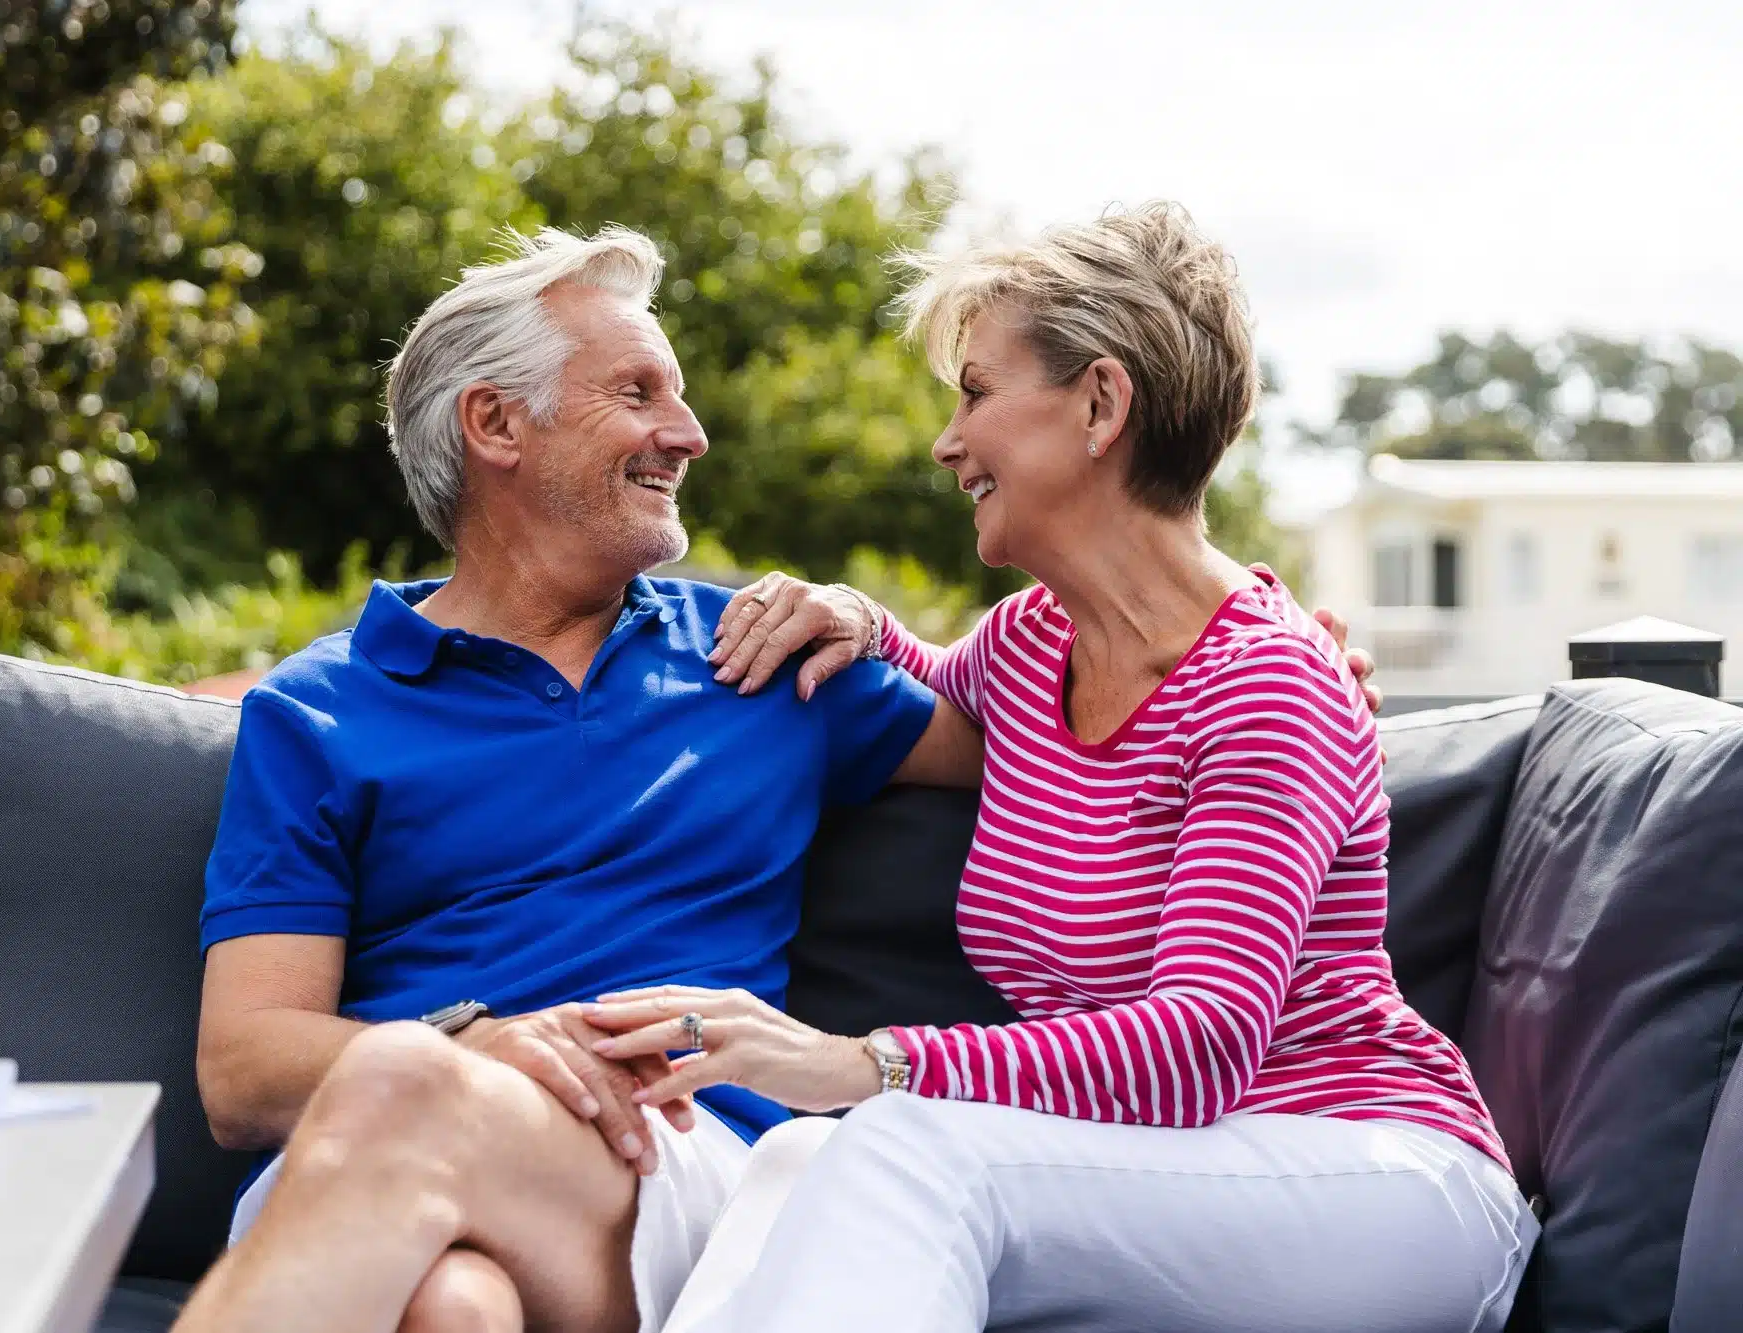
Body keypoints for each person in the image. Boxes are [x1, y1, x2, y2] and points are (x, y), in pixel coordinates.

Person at [175, 221, 1377, 1333]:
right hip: (379, 1170)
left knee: (397, 1085)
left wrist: (1279, 660)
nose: (689, 435)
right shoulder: (315, 711)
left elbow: (1086, 719)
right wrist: (470, 1047)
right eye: (637, 392)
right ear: (496, 426)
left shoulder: (755, 658)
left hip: (686, 1159)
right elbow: (244, 1068)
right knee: (451, 1306)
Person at [580, 202, 1538, 1333]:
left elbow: (1197, 1045)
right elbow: (927, 671)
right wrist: (851, 618)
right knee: (794, 1155)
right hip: (1166, 1167)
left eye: (975, 392)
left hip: (1371, 1175)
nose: (947, 442)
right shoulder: (1032, 645)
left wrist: (854, 1059)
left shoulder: (1268, 680)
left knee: (903, 1144)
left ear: (1100, 403)